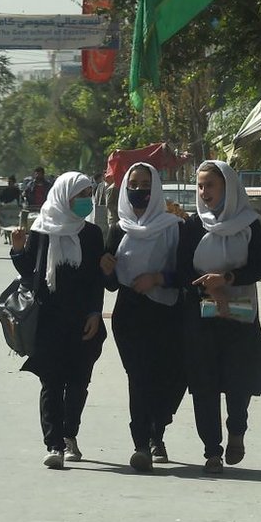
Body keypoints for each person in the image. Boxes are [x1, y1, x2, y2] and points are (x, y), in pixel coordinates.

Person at [10, 172, 107, 469]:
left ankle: (70, 436)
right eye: (80, 195)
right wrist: (17, 248)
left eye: (88, 194)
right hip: (48, 320)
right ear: (65, 196)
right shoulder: (42, 231)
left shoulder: (91, 234)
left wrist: (94, 313)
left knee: (78, 383)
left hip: (82, 320)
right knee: (51, 383)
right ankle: (53, 444)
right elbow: (29, 272)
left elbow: (95, 280)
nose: (85, 201)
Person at [178, 160, 261, 474]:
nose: (204, 193)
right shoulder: (193, 225)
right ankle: (211, 451)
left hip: (240, 317)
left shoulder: (250, 224)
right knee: (203, 384)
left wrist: (226, 280)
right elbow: (182, 268)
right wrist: (208, 289)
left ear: (227, 187)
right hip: (201, 317)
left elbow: (259, 266)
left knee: (238, 381)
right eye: (200, 186)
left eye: (210, 186)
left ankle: (237, 430)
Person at [99, 163, 187, 473]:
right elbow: (110, 283)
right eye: (133, 184)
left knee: (171, 378)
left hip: (167, 313)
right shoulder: (118, 230)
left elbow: (186, 273)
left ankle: (157, 430)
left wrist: (158, 279)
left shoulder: (174, 227)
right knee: (139, 379)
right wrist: (107, 270)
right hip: (130, 314)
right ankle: (142, 444)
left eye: (145, 184)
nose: (139, 190)